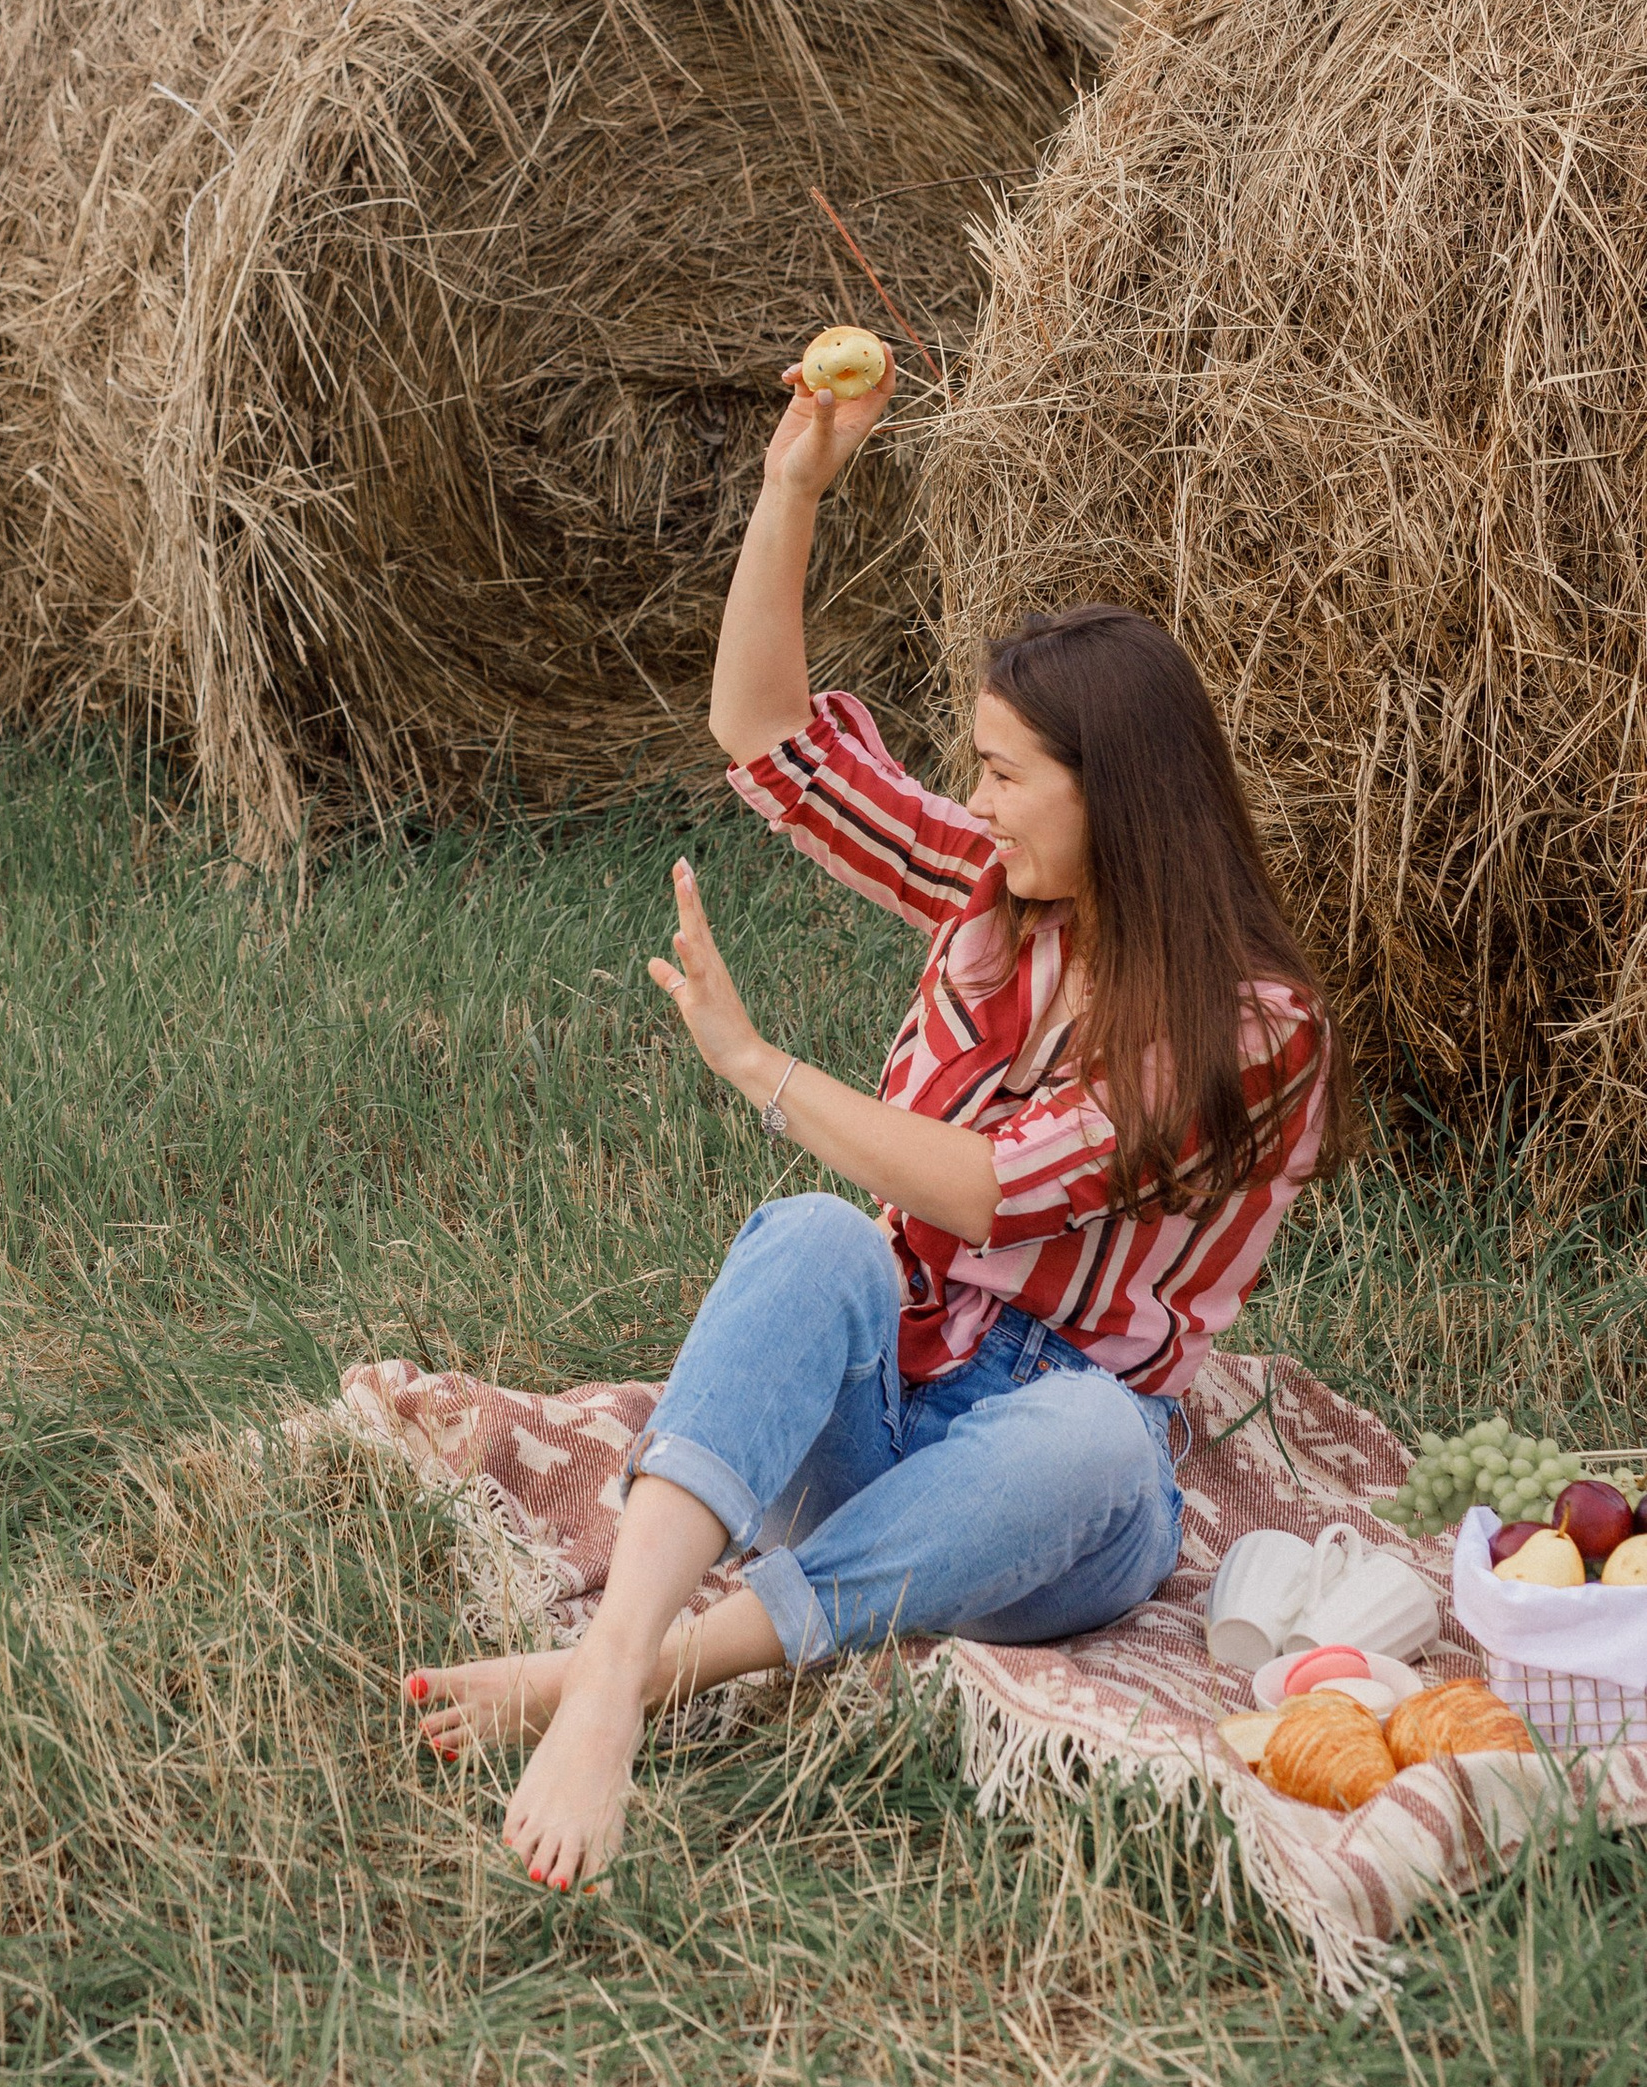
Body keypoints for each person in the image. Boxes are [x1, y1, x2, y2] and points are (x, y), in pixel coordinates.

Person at [406, 345, 1351, 1894]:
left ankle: (638, 1680)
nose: (971, 802)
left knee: (1098, 1437)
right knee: (811, 1238)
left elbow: (999, 1192)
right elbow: (768, 738)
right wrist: (791, 487)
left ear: (1111, 793)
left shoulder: (1255, 1031)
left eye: (1001, 773)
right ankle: (615, 1667)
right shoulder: (996, 890)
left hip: (1048, 1497)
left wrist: (762, 1066)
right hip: (883, 1406)